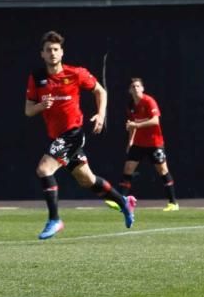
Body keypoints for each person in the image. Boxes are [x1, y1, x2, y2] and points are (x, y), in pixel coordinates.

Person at [25, 31, 135, 240]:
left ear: (62, 52)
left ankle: (55, 219)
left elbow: (100, 91)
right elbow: (28, 110)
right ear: (42, 54)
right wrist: (41, 105)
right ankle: (124, 202)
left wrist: (101, 115)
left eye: (56, 49)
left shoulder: (75, 73)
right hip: (57, 136)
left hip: (72, 133)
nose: (52, 53)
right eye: (48, 50)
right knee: (87, 180)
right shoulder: (37, 77)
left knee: (44, 168)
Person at [113, 78, 179, 212]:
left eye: (138, 86)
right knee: (128, 168)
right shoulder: (131, 105)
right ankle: (121, 200)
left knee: (162, 170)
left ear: (142, 88)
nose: (136, 88)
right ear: (130, 90)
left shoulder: (149, 101)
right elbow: (132, 125)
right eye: (133, 86)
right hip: (138, 143)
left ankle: (173, 203)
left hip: (154, 143)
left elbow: (155, 121)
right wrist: (130, 141)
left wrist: (136, 125)